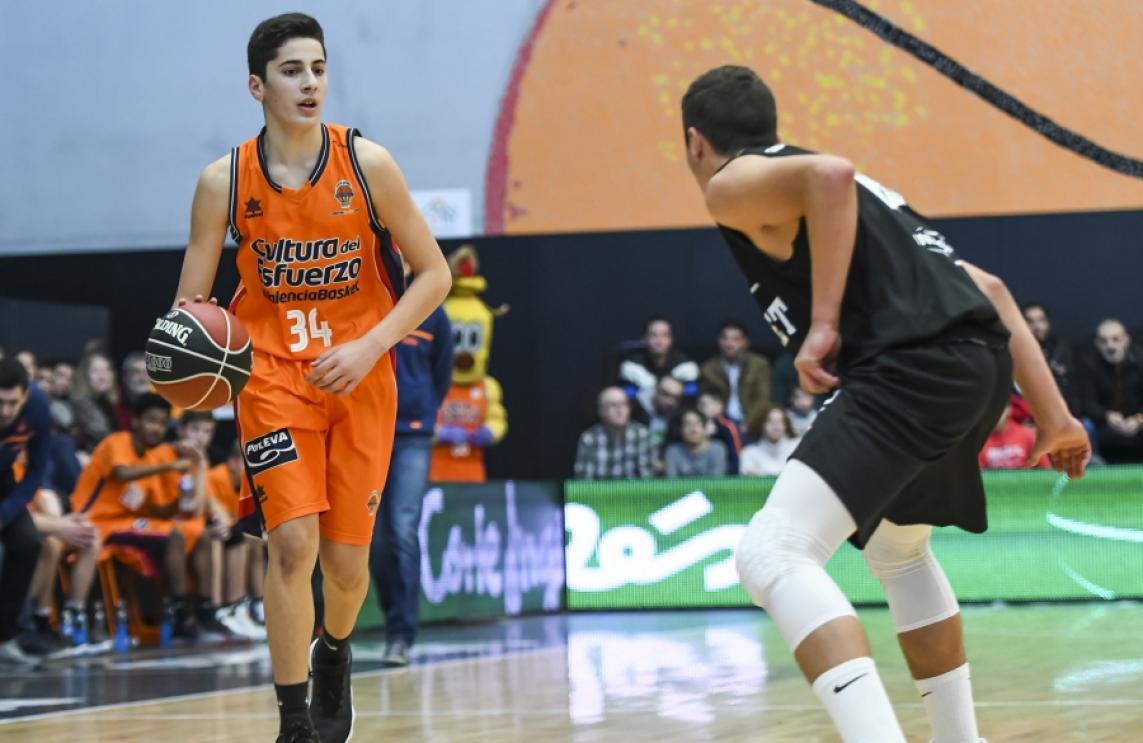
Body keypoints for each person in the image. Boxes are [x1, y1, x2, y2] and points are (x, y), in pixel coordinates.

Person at [682, 65, 1090, 742]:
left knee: (771, 552)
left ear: (696, 142)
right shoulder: (868, 200)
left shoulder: (732, 182)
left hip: (909, 369)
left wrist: (822, 324)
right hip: (977, 366)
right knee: (898, 551)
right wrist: (1055, 417)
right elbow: (989, 287)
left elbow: (830, 173)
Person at [170, 13, 451, 742]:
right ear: (257, 86)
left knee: (347, 566)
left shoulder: (368, 164)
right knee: (292, 545)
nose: (310, 83)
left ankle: (335, 650)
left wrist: (370, 345)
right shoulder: (223, 181)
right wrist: (184, 361)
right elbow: (190, 306)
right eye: (292, 70)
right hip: (271, 379)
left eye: (319, 69)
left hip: (360, 376)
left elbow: (435, 275)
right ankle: (293, 718)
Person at [71, 394, 220, 642]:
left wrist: (179, 501)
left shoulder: (149, 457)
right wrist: (169, 467)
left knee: (183, 532)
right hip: (96, 521)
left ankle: (188, 611)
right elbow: (122, 473)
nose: (156, 428)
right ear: (135, 421)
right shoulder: (117, 442)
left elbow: (155, 511)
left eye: (162, 423)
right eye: (151, 420)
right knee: (173, 535)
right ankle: (181, 615)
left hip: (127, 523)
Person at [371, 301, 453, 668]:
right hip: (369, 430)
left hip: (412, 435)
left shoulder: (433, 311)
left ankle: (401, 634)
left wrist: (424, 410)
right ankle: (393, 612)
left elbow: (442, 372)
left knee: (403, 529)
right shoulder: (368, 298)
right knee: (373, 538)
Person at [0, 358, 49, 669]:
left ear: (26, 396)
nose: (5, 411)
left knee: (28, 542)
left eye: (12, 403)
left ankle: (5, 638)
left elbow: (36, 471)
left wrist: (4, 514)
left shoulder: (38, 407)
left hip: (4, 477)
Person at [1078, 319, 1143, 463]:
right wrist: (1107, 416)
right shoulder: (1088, 365)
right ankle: (1094, 465)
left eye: (1115, 339)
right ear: (1097, 343)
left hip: (1138, 421)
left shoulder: (1140, 362)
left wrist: (1138, 420)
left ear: (1126, 340)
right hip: (1104, 424)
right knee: (1084, 424)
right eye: (1104, 341)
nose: (1110, 346)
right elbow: (1086, 403)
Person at [619, 317, 699, 415]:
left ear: (671, 339)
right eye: (653, 335)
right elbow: (627, 397)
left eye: (665, 335)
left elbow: (691, 396)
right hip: (642, 417)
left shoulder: (686, 366)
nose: (659, 341)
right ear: (644, 338)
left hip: (677, 418)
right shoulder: (631, 366)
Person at [699, 319, 771, 426]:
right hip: (719, 423)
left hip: (752, 422)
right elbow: (704, 400)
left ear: (745, 342)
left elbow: (762, 399)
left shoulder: (759, 365)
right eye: (725, 338)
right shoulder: (708, 369)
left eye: (735, 339)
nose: (729, 343)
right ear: (719, 341)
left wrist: (748, 423)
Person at [573, 387, 653, 480]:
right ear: (601, 411)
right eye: (613, 405)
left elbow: (647, 478)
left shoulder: (642, 434)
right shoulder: (589, 438)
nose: (620, 410)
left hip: (635, 489)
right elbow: (583, 482)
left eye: (624, 404)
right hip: (600, 489)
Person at [1021, 303, 1078, 413]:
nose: (1037, 327)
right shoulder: (1013, 353)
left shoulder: (1061, 349)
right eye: (1030, 321)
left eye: (1041, 320)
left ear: (1048, 323)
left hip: (1061, 410)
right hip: (1027, 411)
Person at [978, 403, 1050, 470]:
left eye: (999, 410)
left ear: (1009, 410)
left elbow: (1047, 469)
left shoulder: (1027, 435)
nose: (995, 415)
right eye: (991, 411)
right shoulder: (980, 441)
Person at [739, 404, 801, 477]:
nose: (775, 425)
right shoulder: (749, 453)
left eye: (780, 421)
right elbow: (748, 477)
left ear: (786, 425)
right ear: (761, 425)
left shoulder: (797, 447)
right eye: (770, 421)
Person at [664, 407, 728, 477]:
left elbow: (716, 480)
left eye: (697, 424)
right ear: (680, 430)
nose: (693, 429)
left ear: (705, 428)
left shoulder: (717, 449)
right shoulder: (673, 451)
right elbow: (671, 480)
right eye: (688, 424)